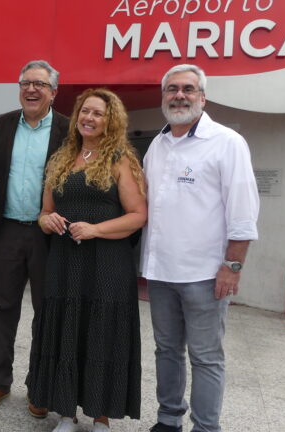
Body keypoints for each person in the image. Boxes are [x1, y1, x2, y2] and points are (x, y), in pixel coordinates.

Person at [140, 64, 259, 432]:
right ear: (163, 97)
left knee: (206, 357)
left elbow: (242, 211)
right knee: (167, 351)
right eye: (172, 89)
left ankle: (206, 427)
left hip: (206, 275)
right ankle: (168, 419)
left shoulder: (226, 142)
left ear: (203, 97)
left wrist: (232, 266)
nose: (179, 95)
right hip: (160, 274)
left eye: (188, 89)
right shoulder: (157, 145)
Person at [26, 88, 147, 432]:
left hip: (107, 263)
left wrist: (96, 230)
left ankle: (101, 416)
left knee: (101, 333)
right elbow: (45, 211)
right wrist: (45, 220)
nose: (89, 118)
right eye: (85, 111)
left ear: (111, 120)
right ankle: (66, 413)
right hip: (65, 263)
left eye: (98, 113)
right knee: (66, 331)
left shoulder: (120, 159)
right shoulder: (62, 158)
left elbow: (138, 215)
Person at [0, 60, 69, 416]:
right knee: (3, 310)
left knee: (45, 314)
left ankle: (38, 387)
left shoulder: (67, 127)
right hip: (8, 232)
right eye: (26, 83)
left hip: (50, 236)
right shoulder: (3, 123)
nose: (32, 90)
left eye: (40, 85)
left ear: (53, 92)